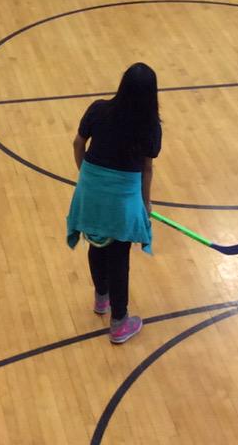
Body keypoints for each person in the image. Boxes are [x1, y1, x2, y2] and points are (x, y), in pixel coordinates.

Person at [66, 62, 162, 345]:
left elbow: (77, 144)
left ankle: (101, 299)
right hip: (122, 199)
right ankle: (119, 322)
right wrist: (145, 205)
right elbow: (146, 169)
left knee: (97, 242)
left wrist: (87, 176)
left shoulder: (98, 109)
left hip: (90, 190)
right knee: (119, 256)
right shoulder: (150, 127)